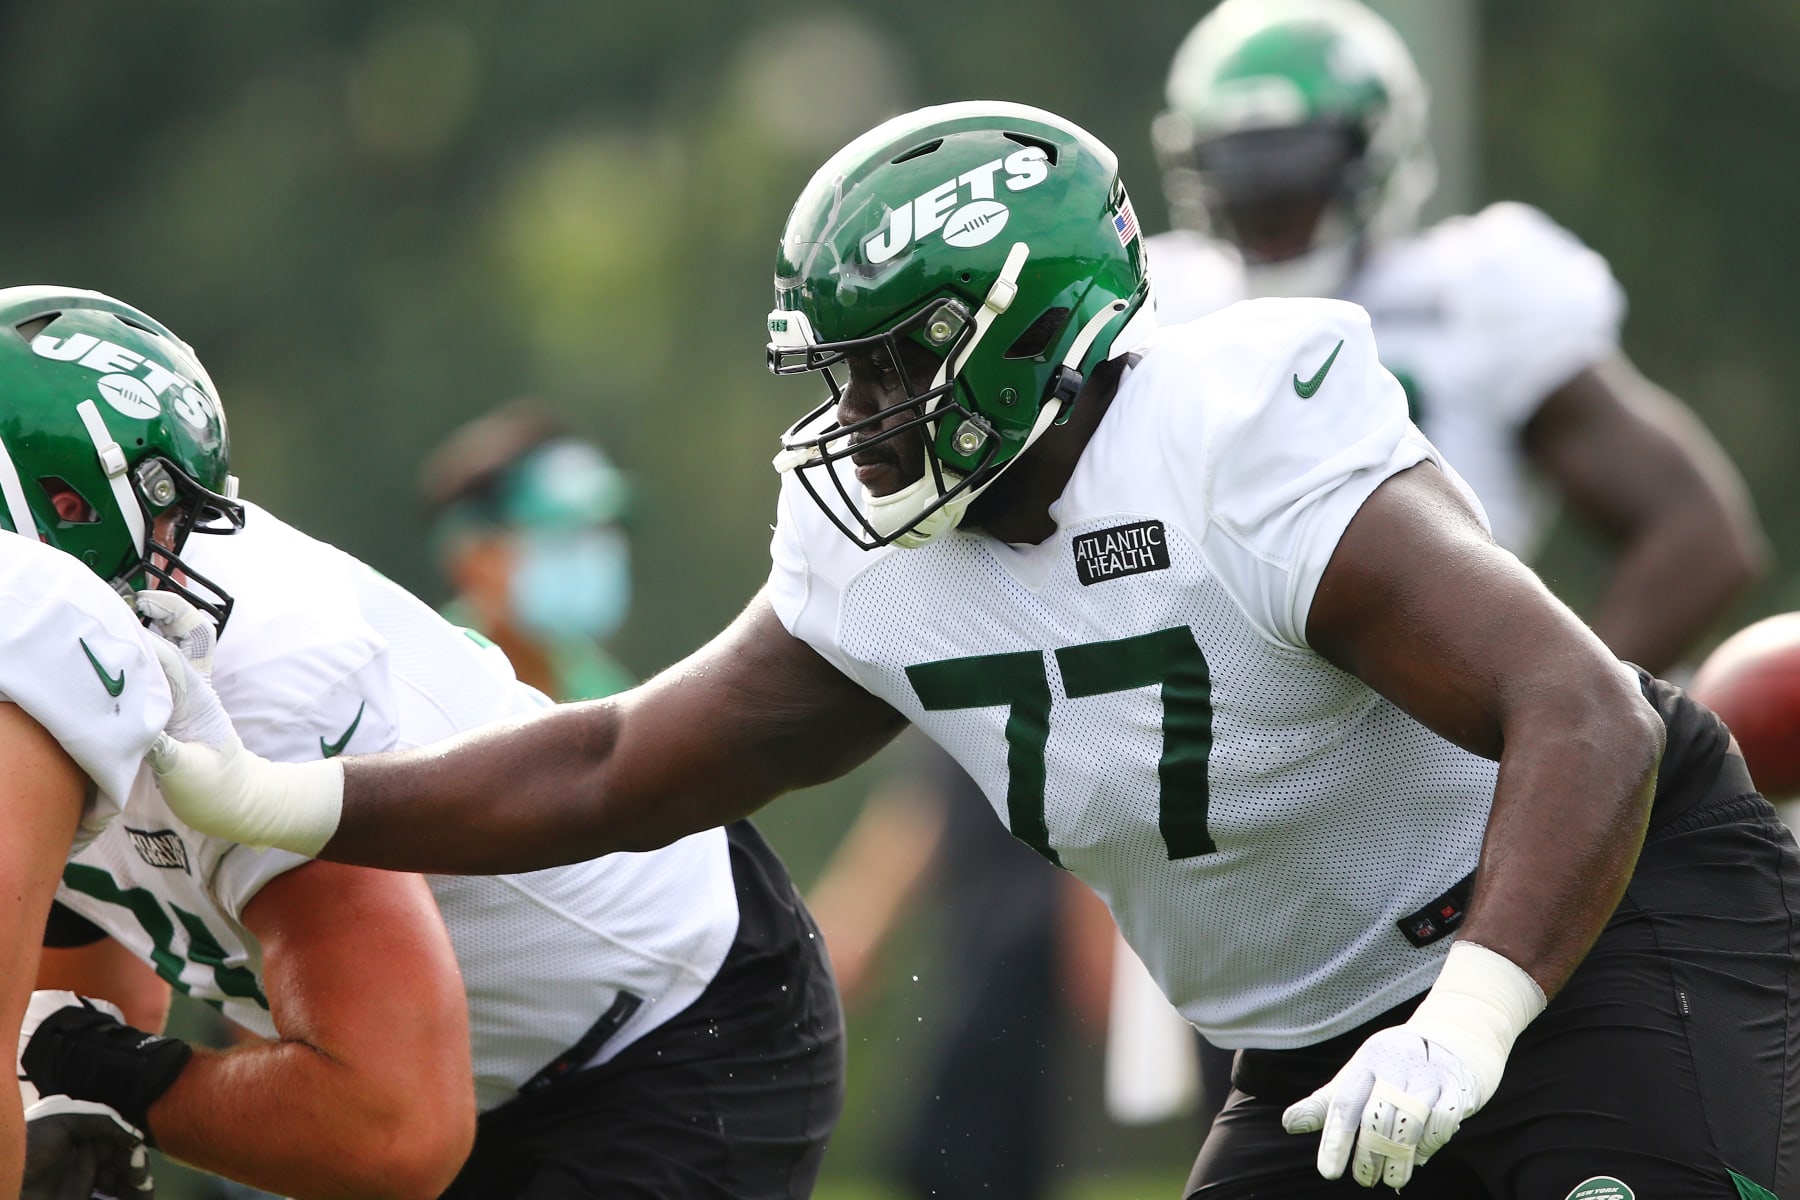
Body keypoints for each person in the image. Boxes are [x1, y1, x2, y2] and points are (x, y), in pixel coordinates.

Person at [149, 102, 1798, 1198]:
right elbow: (611, 762)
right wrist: (302, 804)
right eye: (839, 372)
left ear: (1031, 324)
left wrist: (1474, 1015)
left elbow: (1580, 710)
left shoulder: (1236, 432)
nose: (856, 421)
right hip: (1315, 1034)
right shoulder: (884, 566)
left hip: (1594, 929)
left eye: (891, 367)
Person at [3, 285, 842, 1199]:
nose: (189, 545)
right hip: (431, 1078)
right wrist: (67, 1082)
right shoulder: (56, 672)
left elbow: (390, 1134)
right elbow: (86, 1003)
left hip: (666, 1034)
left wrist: (89, 1067)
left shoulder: (260, 676)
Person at [1147, 0, 1765, 679]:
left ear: (1375, 153)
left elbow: (1697, 533)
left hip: (1445, 708)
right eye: (1237, 175)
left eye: (1293, 170)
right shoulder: (1162, 301)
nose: (1265, 201)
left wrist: (1559, 710)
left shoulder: (1477, 290)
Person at [419, 405, 636, 702]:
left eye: (602, 531)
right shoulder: (415, 683)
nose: (593, 554)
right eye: (561, 535)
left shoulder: (609, 694)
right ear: (477, 557)